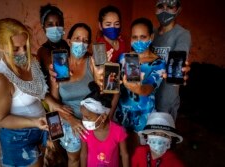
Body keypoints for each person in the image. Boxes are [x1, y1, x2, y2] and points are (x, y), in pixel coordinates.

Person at [0, 18, 70, 167]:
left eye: (26, 46)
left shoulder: (33, 61)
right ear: (0, 46)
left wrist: (53, 103)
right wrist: (33, 122)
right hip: (19, 138)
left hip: (40, 128)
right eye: (16, 48)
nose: (23, 52)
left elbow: (38, 91)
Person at [49, 22, 119, 167]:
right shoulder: (58, 67)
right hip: (68, 120)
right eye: (77, 39)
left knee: (94, 157)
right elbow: (53, 103)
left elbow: (107, 92)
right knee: (74, 157)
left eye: (85, 41)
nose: (81, 44)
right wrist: (71, 120)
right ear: (69, 41)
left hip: (93, 119)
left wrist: (103, 73)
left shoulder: (92, 63)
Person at [113, 17, 166, 153]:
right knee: (122, 153)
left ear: (151, 37)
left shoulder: (158, 63)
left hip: (143, 116)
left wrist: (139, 89)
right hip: (121, 114)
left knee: (140, 153)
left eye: (143, 37)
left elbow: (149, 88)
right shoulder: (123, 58)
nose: (138, 41)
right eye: (134, 37)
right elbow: (114, 84)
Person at [151, 0, 192, 121]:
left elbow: (180, 64)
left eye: (169, 6)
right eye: (160, 6)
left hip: (166, 101)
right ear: (155, 8)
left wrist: (182, 69)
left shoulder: (182, 35)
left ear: (178, 9)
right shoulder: (151, 33)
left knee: (162, 137)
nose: (164, 10)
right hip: (147, 98)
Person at [80, 81, 129, 167]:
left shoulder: (118, 131)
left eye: (88, 117)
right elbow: (83, 155)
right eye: (83, 116)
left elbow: (124, 155)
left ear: (103, 117)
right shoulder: (85, 132)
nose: (84, 120)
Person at [36, 3, 69, 88]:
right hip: (53, 95)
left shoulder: (66, 44)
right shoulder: (43, 51)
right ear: (44, 27)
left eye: (59, 24)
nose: (55, 28)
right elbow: (57, 69)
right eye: (50, 25)